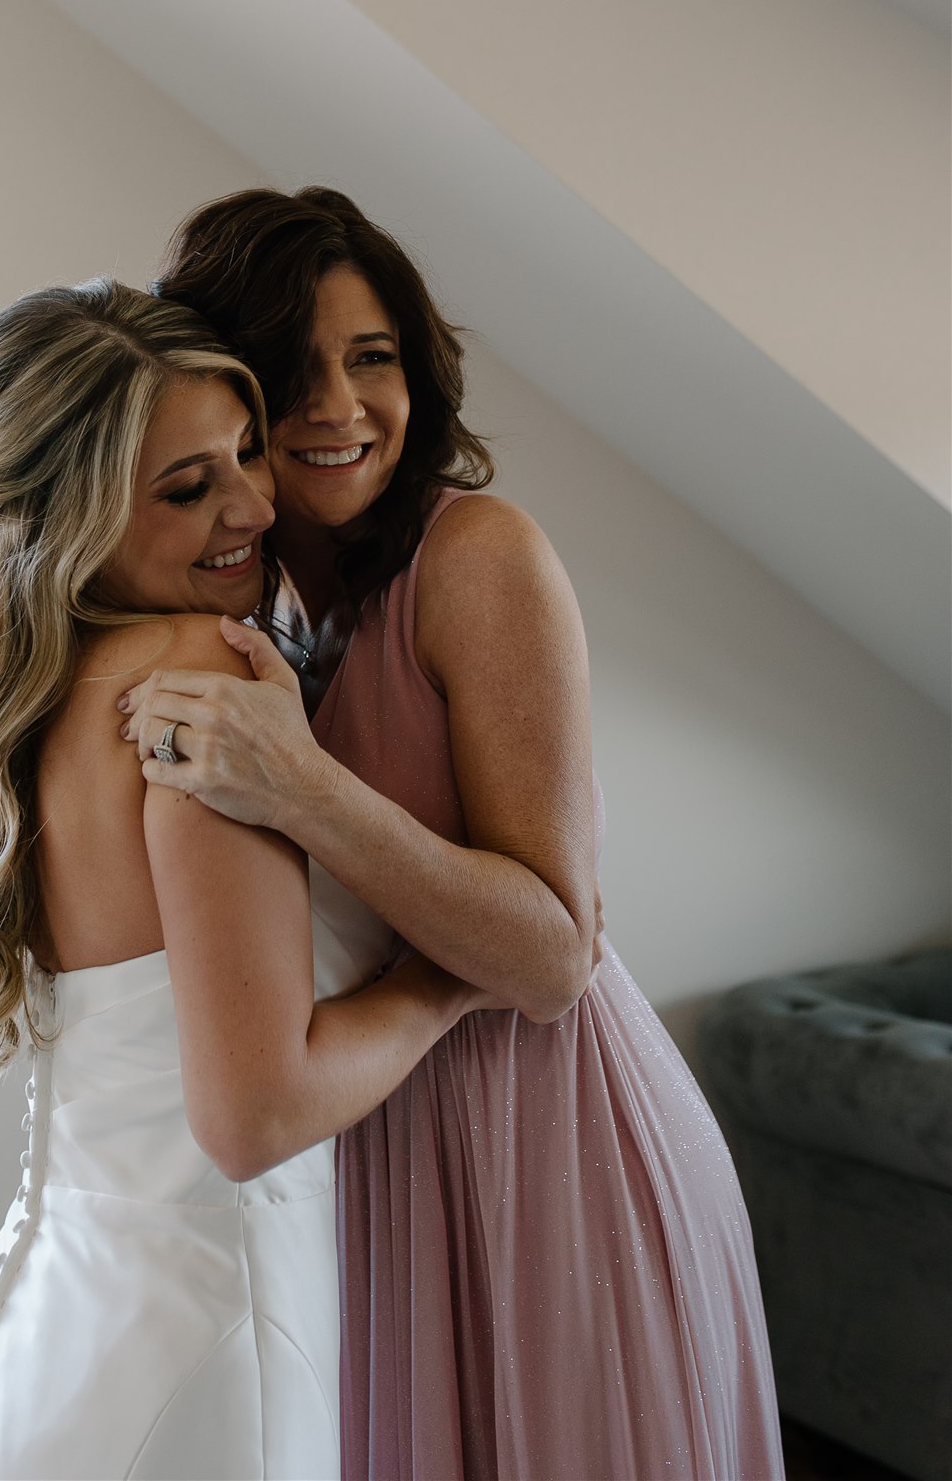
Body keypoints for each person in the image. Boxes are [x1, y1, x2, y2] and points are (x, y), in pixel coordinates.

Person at [121, 188, 785, 1481]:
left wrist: (303, 786)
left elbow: (549, 957)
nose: (336, 406)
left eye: (372, 359)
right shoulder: (245, 597)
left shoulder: (477, 557)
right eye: (290, 369)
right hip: (371, 1143)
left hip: (551, 1143)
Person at [0, 279, 489, 1481]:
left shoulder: (33, 680)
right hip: (205, 1354)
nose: (256, 503)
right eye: (188, 485)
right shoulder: (195, 682)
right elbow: (252, 1114)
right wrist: (447, 983)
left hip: (47, 1340)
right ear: (73, 517)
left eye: (244, 452)